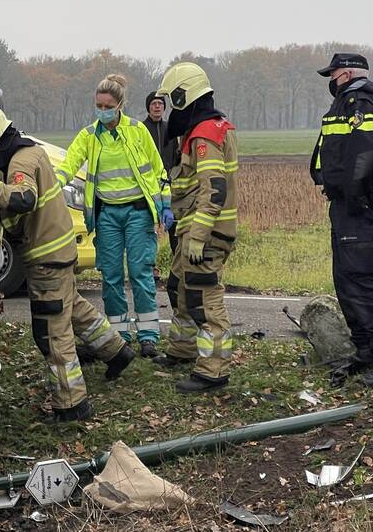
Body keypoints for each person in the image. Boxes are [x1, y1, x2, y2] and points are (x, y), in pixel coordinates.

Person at [0, 104, 134, 423]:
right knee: (74, 307)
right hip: (57, 251)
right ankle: (116, 351)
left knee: (52, 331)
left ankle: (71, 404)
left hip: (46, 257)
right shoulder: (22, 155)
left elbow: (23, 198)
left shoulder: (21, 160)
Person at [55, 75, 173, 358]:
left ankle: (148, 337)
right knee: (110, 277)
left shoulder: (137, 131)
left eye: (107, 105)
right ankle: (118, 337)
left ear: (120, 104)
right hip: (107, 215)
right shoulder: (88, 136)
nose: (102, 110)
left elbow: (158, 171)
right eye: (98, 105)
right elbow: (68, 164)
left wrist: (165, 206)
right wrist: (50, 186)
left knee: (140, 274)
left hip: (138, 213)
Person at [311, 53, 373, 386]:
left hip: (355, 205)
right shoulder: (355, 101)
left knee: (359, 280)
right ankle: (366, 348)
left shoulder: (359, 101)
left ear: (347, 74)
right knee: (346, 279)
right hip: (347, 203)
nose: (330, 82)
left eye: (332, 75)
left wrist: (353, 197)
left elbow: (362, 155)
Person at [153, 62, 238, 394]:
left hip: (206, 235)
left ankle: (213, 372)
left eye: (174, 99)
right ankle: (183, 349)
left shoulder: (204, 134)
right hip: (190, 232)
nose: (173, 107)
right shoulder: (210, 127)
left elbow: (214, 188)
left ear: (183, 95)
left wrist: (199, 235)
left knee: (205, 300)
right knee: (180, 286)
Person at [144, 91, 180, 257]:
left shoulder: (170, 129)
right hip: (147, 186)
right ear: (148, 108)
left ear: (164, 107)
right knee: (147, 228)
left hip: (168, 185)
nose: (157, 106)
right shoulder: (141, 129)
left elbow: (176, 157)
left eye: (160, 104)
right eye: (153, 104)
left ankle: (176, 264)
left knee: (173, 226)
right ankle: (150, 265)